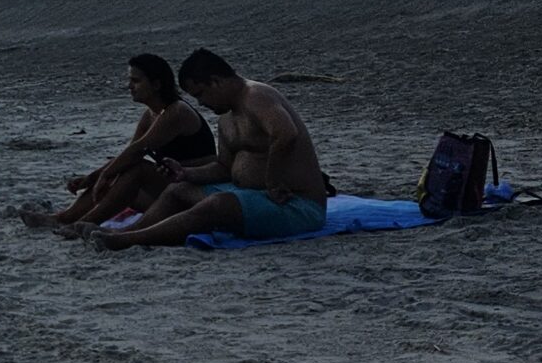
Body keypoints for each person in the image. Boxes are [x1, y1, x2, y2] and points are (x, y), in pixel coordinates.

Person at [91, 49, 329, 249]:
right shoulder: (226, 117)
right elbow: (224, 168)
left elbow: (285, 133)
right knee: (178, 189)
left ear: (216, 81)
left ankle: (127, 240)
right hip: (253, 195)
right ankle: (130, 233)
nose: (201, 103)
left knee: (217, 204)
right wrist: (186, 173)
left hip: (296, 205)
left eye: (201, 94)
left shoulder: (257, 95)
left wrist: (273, 181)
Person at [24, 54, 214, 229]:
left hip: (195, 191)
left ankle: (82, 224)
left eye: (136, 81)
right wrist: (93, 177)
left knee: (135, 169)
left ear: (156, 84)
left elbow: (138, 151)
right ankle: (62, 218)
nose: (129, 86)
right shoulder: (150, 115)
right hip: (170, 188)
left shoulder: (177, 112)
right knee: (120, 172)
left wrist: (103, 175)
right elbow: (128, 153)